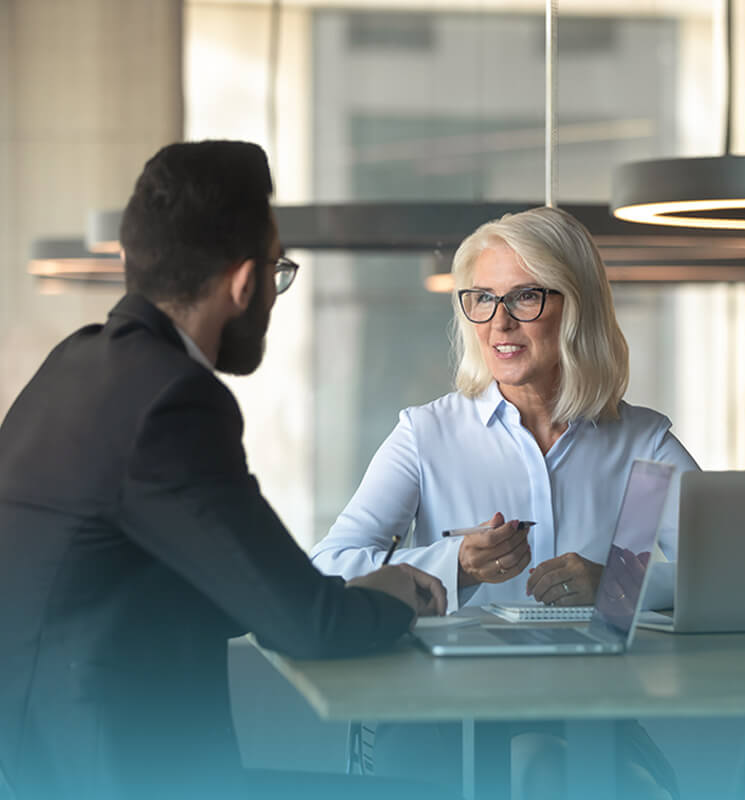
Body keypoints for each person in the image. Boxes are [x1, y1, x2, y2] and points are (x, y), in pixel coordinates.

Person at [0, 140, 449, 800]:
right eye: (277, 270)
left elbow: (220, 584)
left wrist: (327, 596)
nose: (273, 289)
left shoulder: (77, 362)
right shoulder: (171, 399)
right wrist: (402, 595)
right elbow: (308, 628)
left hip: (42, 761)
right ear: (244, 283)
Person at [310, 205, 699, 799]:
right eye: (482, 299)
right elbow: (328, 567)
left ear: (577, 306)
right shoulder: (426, 435)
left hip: (590, 724)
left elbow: (723, 579)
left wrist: (619, 584)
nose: (499, 323)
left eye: (524, 299)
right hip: (436, 724)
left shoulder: (640, 444)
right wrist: (453, 567)